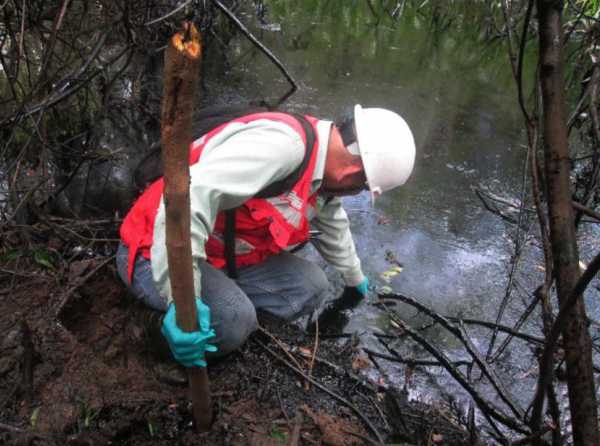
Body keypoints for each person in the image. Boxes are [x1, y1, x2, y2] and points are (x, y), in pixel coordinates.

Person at [115, 104, 416, 368]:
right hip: (154, 248)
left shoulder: (320, 168)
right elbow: (183, 203)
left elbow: (331, 220)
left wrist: (355, 278)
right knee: (234, 320)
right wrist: (184, 302)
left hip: (215, 255)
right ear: (353, 172)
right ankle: (153, 332)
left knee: (311, 288)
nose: (355, 193)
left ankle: (222, 323)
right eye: (362, 187)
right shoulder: (282, 149)